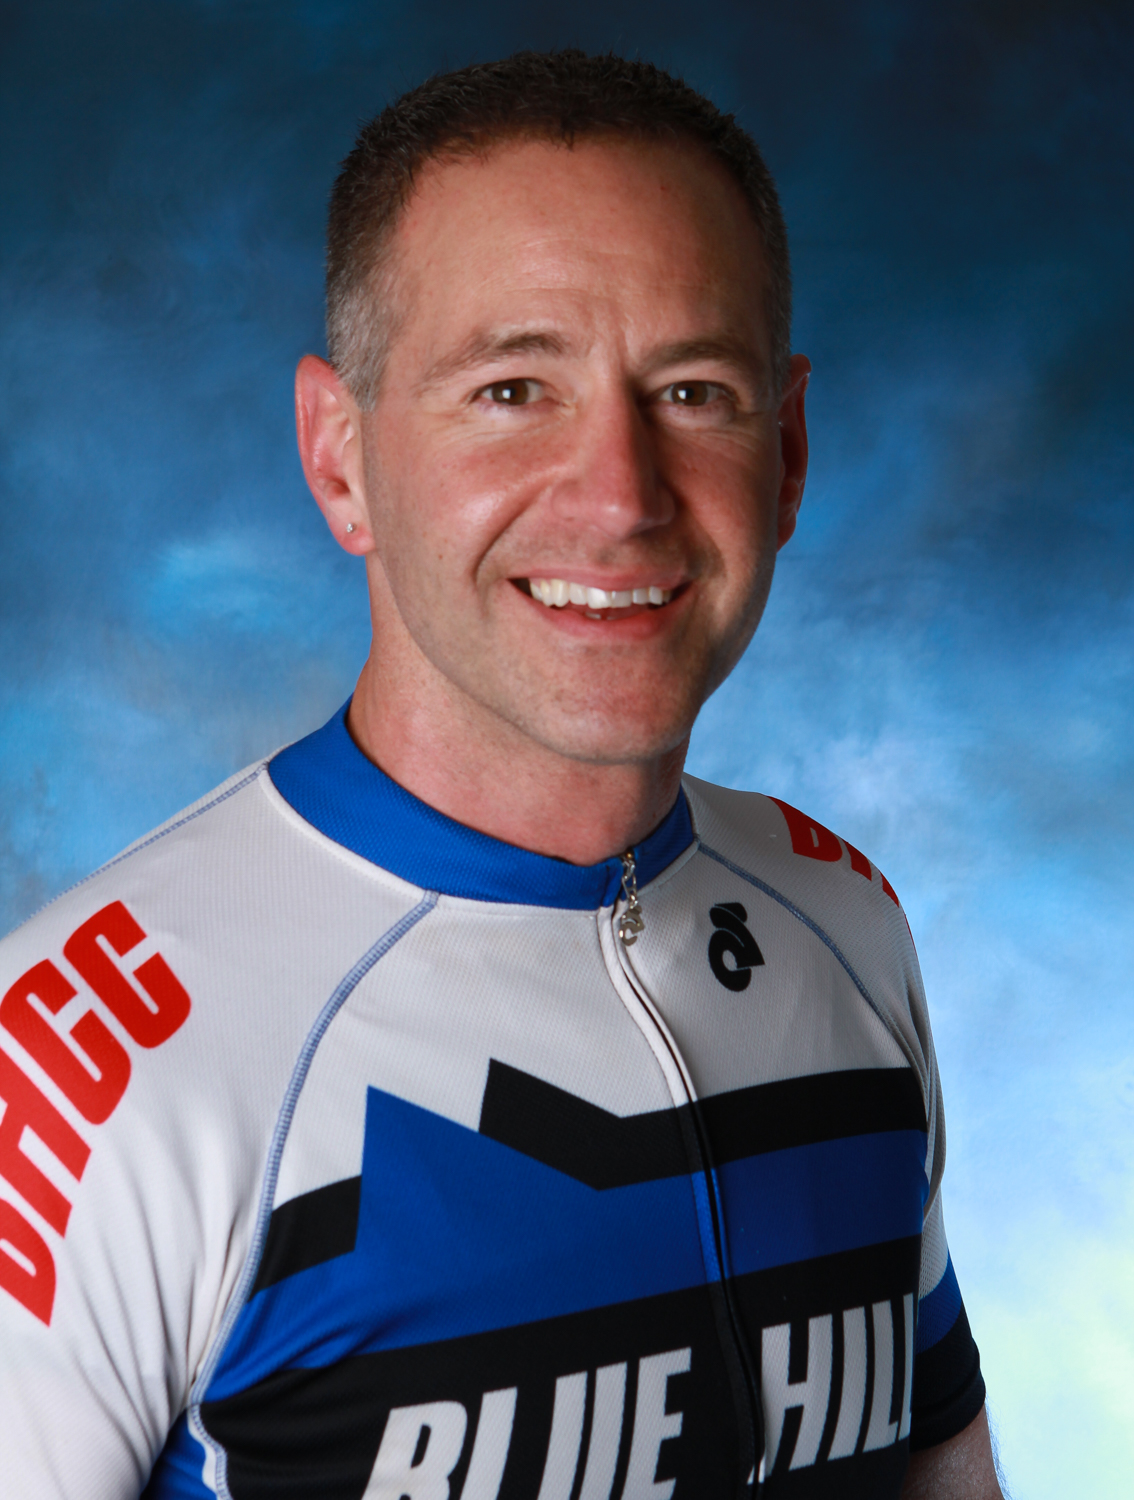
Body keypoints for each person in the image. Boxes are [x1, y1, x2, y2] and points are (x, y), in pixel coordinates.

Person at [0, 51, 1002, 1500]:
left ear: (785, 453)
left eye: (693, 391)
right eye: (513, 388)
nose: (620, 496)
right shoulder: (86, 1069)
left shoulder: (843, 926)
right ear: (341, 459)